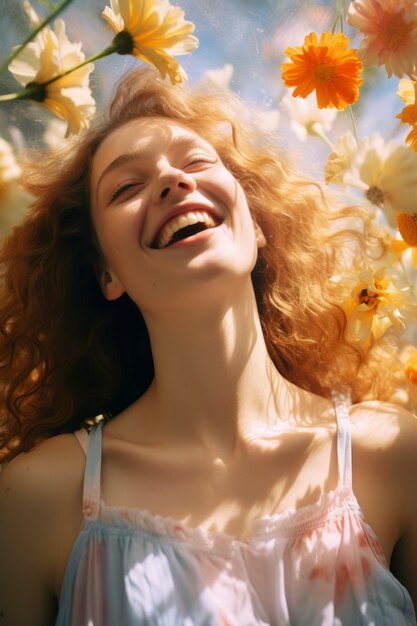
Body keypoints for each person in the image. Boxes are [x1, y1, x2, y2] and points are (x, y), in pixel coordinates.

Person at [0, 66, 416, 626]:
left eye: (196, 162)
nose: (173, 182)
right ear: (105, 274)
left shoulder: (391, 456)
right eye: (126, 187)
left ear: (257, 223)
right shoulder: (40, 499)